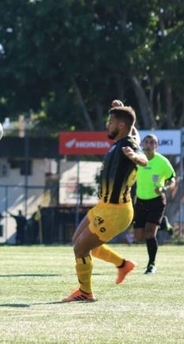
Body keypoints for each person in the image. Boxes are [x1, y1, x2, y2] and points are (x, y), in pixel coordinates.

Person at [63, 100, 148, 302]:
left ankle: (85, 293)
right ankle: (123, 265)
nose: (107, 125)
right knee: (78, 242)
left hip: (117, 211)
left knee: (81, 249)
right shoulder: (122, 141)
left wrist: (136, 157)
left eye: (110, 121)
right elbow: (132, 129)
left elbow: (144, 159)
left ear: (120, 126)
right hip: (104, 206)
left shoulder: (128, 146)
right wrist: (124, 109)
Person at [133, 133, 176, 274]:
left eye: (152, 142)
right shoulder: (137, 160)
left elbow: (172, 179)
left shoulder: (162, 162)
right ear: (142, 144)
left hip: (156, 201)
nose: (149, 144)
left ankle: (151, 264)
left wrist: (164, 188)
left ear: (156, 146)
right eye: (147, 142)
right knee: (139, 237)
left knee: (149, 234)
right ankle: (162, 223)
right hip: (140, 201)